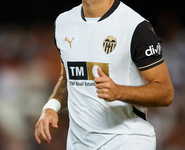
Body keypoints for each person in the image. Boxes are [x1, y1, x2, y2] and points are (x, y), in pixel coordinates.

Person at [34, 0, 174, 149]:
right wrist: (50, 107)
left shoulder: (135, 27)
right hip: (78, 144)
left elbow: (166, 92)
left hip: (127, 140)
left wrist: (119, 91)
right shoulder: (64, 22)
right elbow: (69, 78)